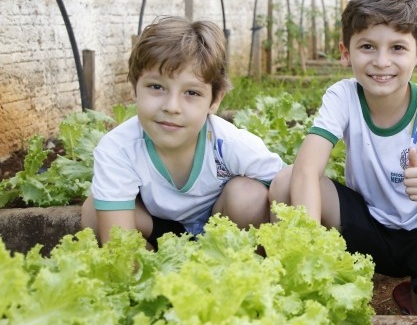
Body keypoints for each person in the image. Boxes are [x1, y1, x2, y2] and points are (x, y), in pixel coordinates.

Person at [269, 0, 417, 316]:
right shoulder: (344, 96)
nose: (381, 62)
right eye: (367, 46)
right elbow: (307, 169)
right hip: (367, 223)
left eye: (397, 48)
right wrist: (307, 249)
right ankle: (304, 285)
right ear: (345, 52)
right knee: (286, 182)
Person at [81, 16, 284, 247]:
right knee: (93, 210)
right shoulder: (118, 148)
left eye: (192, 93)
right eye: (156, 87)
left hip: (222, 229)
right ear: (134, 90)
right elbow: (117, 244)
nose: (171, 107)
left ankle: (244, 273)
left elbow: (286, 187)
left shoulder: (229, 143)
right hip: (158, 230)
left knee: (249, 195)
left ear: (214, 101)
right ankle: (153, 279)